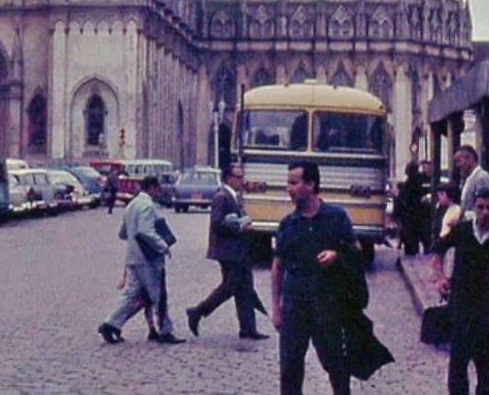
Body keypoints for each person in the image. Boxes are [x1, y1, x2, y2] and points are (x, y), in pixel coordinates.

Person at [271, 161, 360, 395]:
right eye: (287, 182)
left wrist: (337, 255)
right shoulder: (287, 224)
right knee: (290, 368)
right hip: (294, 306)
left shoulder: (336, 217)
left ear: (310, 184)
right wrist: (276, 308)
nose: (288, 188)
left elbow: (356, 252)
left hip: (327, 306)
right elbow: (277, 266)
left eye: (293, 182)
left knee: (336, 367)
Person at [431, 189, 489, 395]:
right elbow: (438, 251)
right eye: (480, 207)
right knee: (458, 359)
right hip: (461, 301)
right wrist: (440, 277)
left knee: (488, 361)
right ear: (474, 208)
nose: (485, 212)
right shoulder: (462, 231)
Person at [186, 163, 268, 340]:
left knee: (245, 289)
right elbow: (217, 224)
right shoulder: (221, 197)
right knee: (230, 287)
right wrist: (239, 227)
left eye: (241, 176)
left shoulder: (235, 197)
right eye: (238, 177)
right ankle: (198, 311)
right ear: (229, 178)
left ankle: (248, 328)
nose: (241, 180)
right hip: (228, 252)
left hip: (240, 250)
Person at [98, 175, 183, 344]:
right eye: (157, 189)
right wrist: (163, 246)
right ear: (152, 188)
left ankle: (110, 323)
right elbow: (146, 231)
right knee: (158, 295)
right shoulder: (147, 206)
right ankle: (165, 330)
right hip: (148, 259)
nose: (158, 192)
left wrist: (132, 234)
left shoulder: (132, 205)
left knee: (130, 295)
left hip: (132, 257)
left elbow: (123, 233)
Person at [394, 161, 430, 255]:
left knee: (411, 240)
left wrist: (398, 216)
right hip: (423, 213)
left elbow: (401, 200)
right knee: (425, 237)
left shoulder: (407, 183)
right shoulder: (424, 179)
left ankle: (412, 253)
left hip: (410, 215)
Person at [454, 145, 489, 219]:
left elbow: (486, 208)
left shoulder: (482, 178)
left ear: (470, 159)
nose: (457, 165)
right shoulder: (469, 179)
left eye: (459, 161)